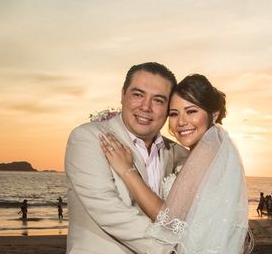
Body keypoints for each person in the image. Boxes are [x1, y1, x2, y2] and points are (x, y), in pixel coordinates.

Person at [101, 73, 252, 254]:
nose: (181, 122)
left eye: (191, 111)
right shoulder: (217, 149)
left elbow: (168, 220)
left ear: (213, 114)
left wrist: (127, 170)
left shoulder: (207, 151)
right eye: (174, 114)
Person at [65, 62, 189, 254]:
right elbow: (107, 208)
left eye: (158, 100)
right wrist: (173, 249)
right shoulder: (89, 138)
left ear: (168, 108)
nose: (145, 107)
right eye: (138, 95)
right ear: (123, 95)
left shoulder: (179, 154)